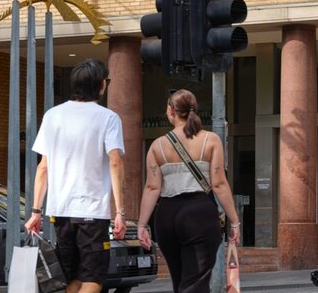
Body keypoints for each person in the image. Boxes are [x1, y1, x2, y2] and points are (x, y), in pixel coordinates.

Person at [24, 59, 127, 293]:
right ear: (102, 85)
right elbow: (115, 162)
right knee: (93, 276)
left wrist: (36, 212)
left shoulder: (53, 115)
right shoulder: (108, 118)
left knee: (72, 277)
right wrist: (119, 212)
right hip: (92, 211)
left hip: (60, 213)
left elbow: (43, 167)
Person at [137, 89, 241, 293]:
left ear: (170, 111)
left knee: (180, 281)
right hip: (199, 213)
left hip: (166, 215)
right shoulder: (211, 140)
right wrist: (235, 221)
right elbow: (219, 184)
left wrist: (142, 225)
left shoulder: (157, 146)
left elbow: (152, 187)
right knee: (195, 283)